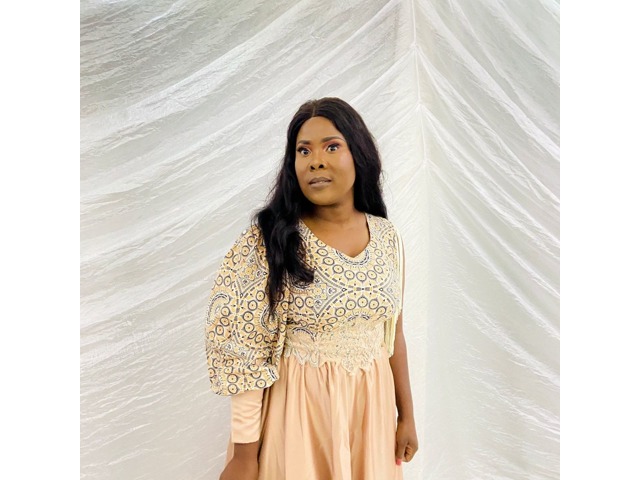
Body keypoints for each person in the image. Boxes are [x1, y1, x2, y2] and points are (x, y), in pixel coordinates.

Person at [205, 97, 418, 479]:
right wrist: (245, 456)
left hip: (371, 418)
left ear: (359, 154)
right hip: (301, 418)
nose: (315, 161)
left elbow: (393, 334)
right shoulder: (270, 241)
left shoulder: (388, 237)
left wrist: (407, 416)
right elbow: (245, 352)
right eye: (303, 151)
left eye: (331, 147)